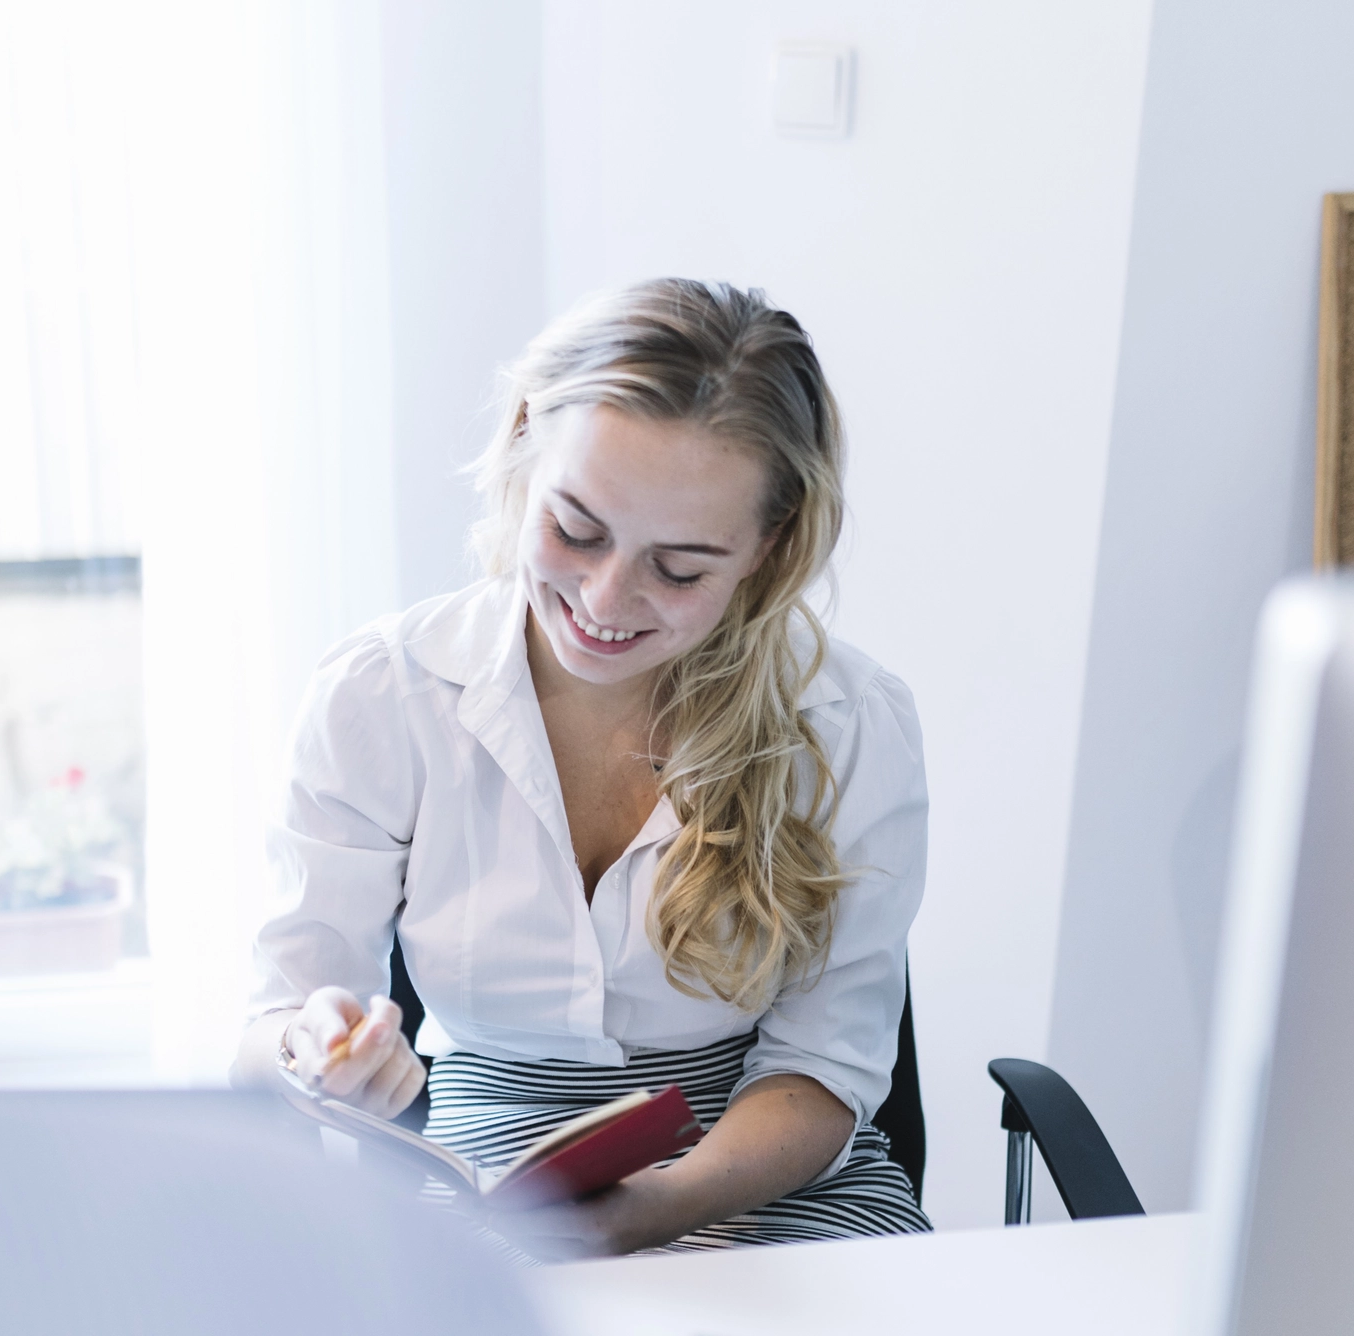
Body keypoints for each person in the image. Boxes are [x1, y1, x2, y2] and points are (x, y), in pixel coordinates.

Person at [233, 279, 930, 1260]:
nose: (605, 599)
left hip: (762, 1164)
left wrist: (650, 1214)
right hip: (487, 1169)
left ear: (767, 551)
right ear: (523, 446)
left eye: (680, 568)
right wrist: (318, 1052)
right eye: (577, 527)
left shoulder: (849, 725)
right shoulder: (383, 696)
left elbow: (823, 1069)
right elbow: (271, 1027)